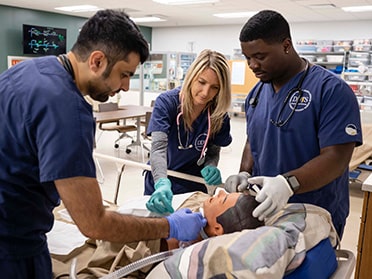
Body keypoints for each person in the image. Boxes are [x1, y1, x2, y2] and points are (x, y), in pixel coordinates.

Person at [0, 9, 206, 278]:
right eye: (124, 74)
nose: (124, 85)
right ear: (97, 60)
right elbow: (94, 223)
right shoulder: (68, 111)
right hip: (13, 249)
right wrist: (168, 226)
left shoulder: (27, 71)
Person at [224, 10, 362, 239]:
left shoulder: (331, 91)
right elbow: (254, 139)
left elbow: (337, 158)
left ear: (286, 45)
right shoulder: (256, 95)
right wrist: (244, 173)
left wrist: (288, 184)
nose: (252, 65)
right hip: (265, 211)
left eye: (260, 56)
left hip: (316, 214)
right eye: (247, 57)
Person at [52, 189, 263, 278]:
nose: (219, 192)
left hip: (123, 249)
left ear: (217, 229)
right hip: (127, 223)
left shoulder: (198, 254)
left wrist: (169, 231)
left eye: (224, 198)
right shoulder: (198, 207)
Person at [144, 49, 233, 215]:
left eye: (214, 87)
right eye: (201, 82)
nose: (206, 93)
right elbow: (157, 149)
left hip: (191, 180)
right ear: (191, 77)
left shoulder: (218, 114)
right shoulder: (167, 103)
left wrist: (211, 165)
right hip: (162, 175)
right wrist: (162, 182)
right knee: (158, 229)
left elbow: (213, 150)